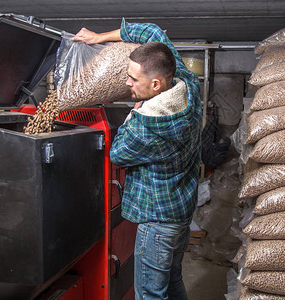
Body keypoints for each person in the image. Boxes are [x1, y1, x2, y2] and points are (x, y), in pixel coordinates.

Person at [73, 19, 202, 300]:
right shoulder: (187, 83)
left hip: (158, 223)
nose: (126, 82)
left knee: (149, 294)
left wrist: (135, 112)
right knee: (172, 281)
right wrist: (99, 37)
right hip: (180, 210)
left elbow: (117, 153)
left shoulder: (149, 127)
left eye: (133, 79)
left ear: (156, 84)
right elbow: (151, 32)